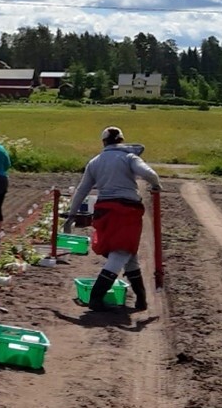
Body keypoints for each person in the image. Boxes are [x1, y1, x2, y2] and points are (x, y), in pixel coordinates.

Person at [64, 126, 161, 312]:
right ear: (121, 140)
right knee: (122, 251)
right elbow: (149, 174)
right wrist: (156, 185)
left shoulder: (95, 162)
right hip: (126, 211)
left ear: (103, 142)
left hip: (105, 211)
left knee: (129, 254)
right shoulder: (129, 157)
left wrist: (71, 214)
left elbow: (82, 190)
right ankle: (96, 297)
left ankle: (141, 299)